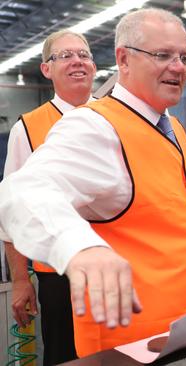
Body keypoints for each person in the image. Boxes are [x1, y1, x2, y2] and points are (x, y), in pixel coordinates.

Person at [0, 8, 186, 356]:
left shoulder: (172, 127)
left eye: (184, 56)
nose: (178, 67)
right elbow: (22, 193)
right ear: (124, 59)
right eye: (162, 55)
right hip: (133, 348)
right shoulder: (95, 127)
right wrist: (78, 247)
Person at [2, 29, 96, 365]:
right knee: (66, 355)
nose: (77, 62)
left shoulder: (117, 118)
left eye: (84, 55)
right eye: (65, 55)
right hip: (58, 273)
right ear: (46, 70)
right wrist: (20, 279)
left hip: (120, 262)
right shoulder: (27, 129)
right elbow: (12, 213)